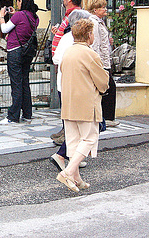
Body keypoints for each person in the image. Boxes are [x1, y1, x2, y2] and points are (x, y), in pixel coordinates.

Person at [56, 19, 109, 192]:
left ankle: (77, 178)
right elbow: (102, 81)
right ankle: (69, 172)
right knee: (89, 138)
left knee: (73, 141)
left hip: (68, 102)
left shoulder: (68, 52)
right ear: (88, 35)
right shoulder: (90, 54)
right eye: (92, 33)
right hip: (86, 103)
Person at [49, 9, 92, 172]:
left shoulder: (66, 38)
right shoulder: (74, 41)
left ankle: (75, 157)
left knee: (73, 124)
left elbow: (56, 58)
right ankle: (62, 155)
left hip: (65, 86)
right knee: (79, 126)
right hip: (75, 88)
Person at [0, 0, 40, 125]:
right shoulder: (35, 17)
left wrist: (1, 17)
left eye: (17, 1)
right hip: (27, 53)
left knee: (16, 84)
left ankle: (13, 116)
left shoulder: (20, 15)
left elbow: (4, 29)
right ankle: (27, 113)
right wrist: (14, 13)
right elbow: (22, 26)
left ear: (21, 2)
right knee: (24, 82)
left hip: (15, 52)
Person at [50, 0, 83, 144]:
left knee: (66, 100)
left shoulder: (75, 16)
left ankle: (68, 135)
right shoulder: (69, 15)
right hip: (63, 62)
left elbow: (71, 37)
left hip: (67, 64)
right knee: (64, 99)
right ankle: (65, 130)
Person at [87, 0, 119, 128]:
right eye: (102, 7)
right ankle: (107, 118)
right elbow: (95, 44)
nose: (105, 9)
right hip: (101, 62)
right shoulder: (94, 23)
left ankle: (106, 117)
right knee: (108, 87)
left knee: (108, 88)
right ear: (95, 9)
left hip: (105, 60)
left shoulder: (100, 22)